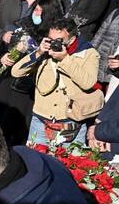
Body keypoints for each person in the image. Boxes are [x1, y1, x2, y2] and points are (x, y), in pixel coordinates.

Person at [11, 18, 100, 146]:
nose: (54, 43)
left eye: (59, 40)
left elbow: (88, 83)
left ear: (72, 39)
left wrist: (65, 59)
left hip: (71, 122)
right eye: (50, 39)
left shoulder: (88, 53)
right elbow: (16, 72)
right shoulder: (44, 52)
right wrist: (39, 52)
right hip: (41, 120)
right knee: (35, 157)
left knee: (69, 159)